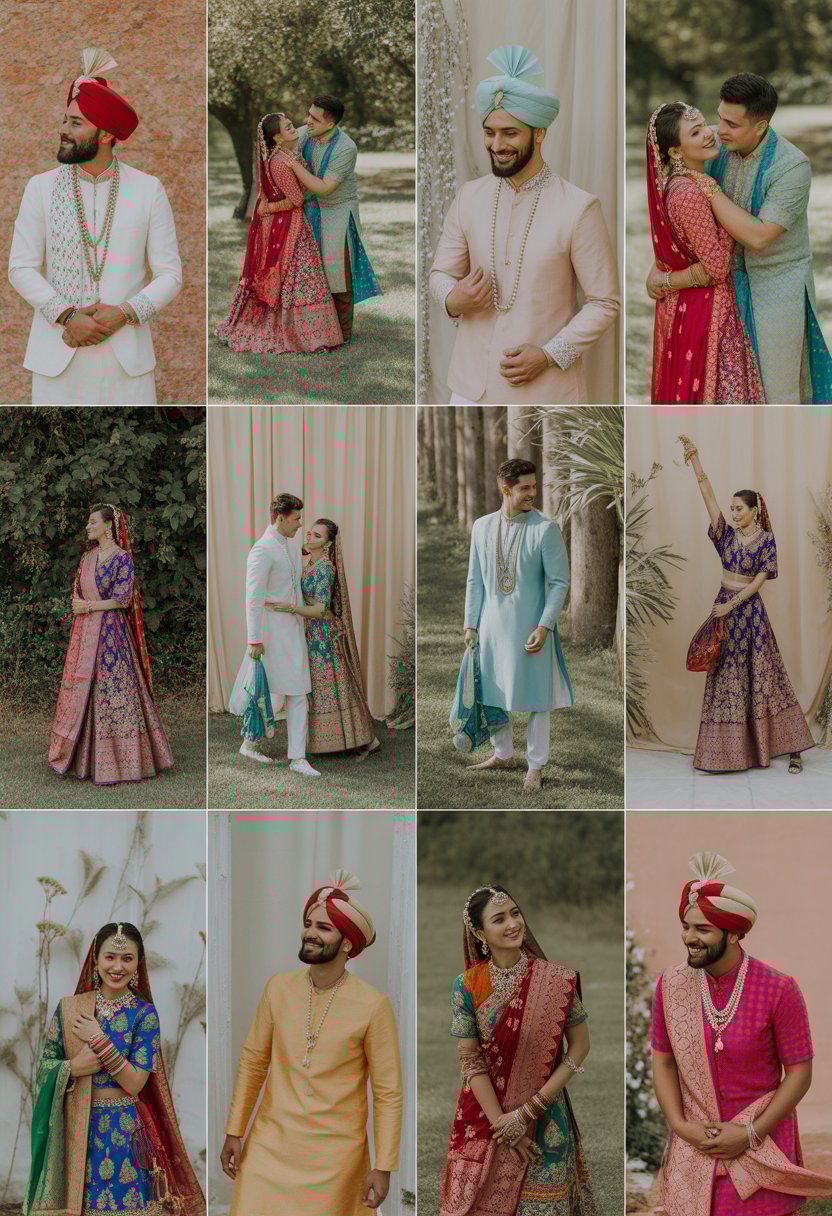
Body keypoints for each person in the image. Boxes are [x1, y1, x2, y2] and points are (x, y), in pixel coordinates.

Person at [429, 46, 619, 405]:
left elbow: (604, 303)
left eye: (510, 134)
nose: (496, 145)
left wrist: (548, 355)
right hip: (469, 388)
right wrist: (453, 298)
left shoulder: (579, 207)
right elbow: (440, 272)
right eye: (489, 133)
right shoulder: (469, 196)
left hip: (545, 390)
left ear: (540, 133)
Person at [651, 851, 832, 1216]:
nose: (689, 937)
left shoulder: (778, 989)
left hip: (762, 1147)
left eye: (702, 929)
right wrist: (680, 1126)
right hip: (696, 1150)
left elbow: (799, 1072)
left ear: (734, 933)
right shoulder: (671, 986)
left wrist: (751, 1132)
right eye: (686, 926)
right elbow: (664, 1061)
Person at [219, 870, 403, 1215]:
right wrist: (234, 1130)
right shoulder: (278, 988)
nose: (310, 934)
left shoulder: (373, 1005)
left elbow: (387, 1091)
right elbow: (253, 1061)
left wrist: (383, 1165)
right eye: (308, 923)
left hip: (335, 1158)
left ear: (347, 943)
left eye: (323, 927)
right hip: (270, 1145)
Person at [8, 48, 183, 404]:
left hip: (126, 359)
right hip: (58, 356)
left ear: (105, 135)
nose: (63, 130)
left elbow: (170, 275)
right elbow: (20, 268)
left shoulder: (148, 189)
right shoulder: (40, 187)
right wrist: (68, 315)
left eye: (76, 123)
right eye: (65, 120)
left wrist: (124, 314)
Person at [648, 74, 832, 404]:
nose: (719, 130)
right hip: (722, 291)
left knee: (777, 392)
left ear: (760, 127)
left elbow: (760, 237)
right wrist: (663, 271)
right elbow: (689, 224)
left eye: (731, 123)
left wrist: (713, 191)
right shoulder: (716, 150)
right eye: (719, 118)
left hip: (777, 286)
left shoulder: (792, 167)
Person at [23, 921, 204, 1216]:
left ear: (138, 964)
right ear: (96, 958)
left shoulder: (144, 1014)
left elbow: (135, 1083)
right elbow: (45, 1068)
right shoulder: (71, 1008)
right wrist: (73, 1067)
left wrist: (99, 1041)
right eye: (110, 956)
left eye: (127, 958)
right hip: (76, 1128)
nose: (117, 966)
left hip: (124, 1132)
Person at [439, 884, 596, 1216]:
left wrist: (526, 1114)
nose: (513, 923)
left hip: (545, 1116)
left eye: (515, 913)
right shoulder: (467, 985)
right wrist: (504, 1125)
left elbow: (580, 1046)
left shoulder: (556, 981)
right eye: (499, 919)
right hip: (483, 1117)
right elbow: (471, 1060)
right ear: (480, 932)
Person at [680, 435, 814, 773]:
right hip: (723, 608)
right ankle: (727, 753)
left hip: (749, 613)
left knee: (763, 676)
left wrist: (733, 604)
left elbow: (759, 581)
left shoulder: (766, 540)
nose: (734, 513)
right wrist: (696, 462)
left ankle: (786, 747)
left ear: (754, 511)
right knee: (725, 676)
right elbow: (707, 497)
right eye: (733, 509)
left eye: (739, 508)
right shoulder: (725, 535)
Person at [463, 458, 573, 794]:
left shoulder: (546, 528)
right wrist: (470, 623)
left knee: (538, 698)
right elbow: (475, 581)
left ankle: (535, 766)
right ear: (505, 489)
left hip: (531, 628)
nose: (532, 493)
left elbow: (559, 583)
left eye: (534, 486)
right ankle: (503, 752)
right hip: (491, 627)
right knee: (492, 691)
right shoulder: (481, 527)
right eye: (524, 487)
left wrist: (544, 626)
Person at [48, 503, 174, 785]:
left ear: (108, 525)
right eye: (88, 523)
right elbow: (76, 598)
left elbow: (122, 599)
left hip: (111, 635)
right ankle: (84, 759)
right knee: (87, 691)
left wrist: (89, 607)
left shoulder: (122, 559)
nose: (88, 527)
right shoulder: (87, 559)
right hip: (86, 633)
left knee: (113, 691)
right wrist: (83, 608)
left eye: (93, 522)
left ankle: (123, 761)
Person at [646, 103, 763, 403]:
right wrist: (666, 282)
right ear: (675, 152)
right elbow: (715, 267)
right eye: (695, 132)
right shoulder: (688, 194)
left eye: (704, 124)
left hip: (704, 307)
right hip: (709, 315)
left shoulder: (694, 183)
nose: (708, 134)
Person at [215, 112, 343, 355]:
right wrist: (271, 208)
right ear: (277, 136)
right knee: (299, 276)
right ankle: (304, 336)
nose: (294, 129)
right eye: (287, 127)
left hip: (289, 222)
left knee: (300, 277)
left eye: (291, 125)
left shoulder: (284, 155)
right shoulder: (281, 162)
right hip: (289, 224)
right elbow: (295, 199)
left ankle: (310, 334)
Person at [267, 517, 380, 757]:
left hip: (325, 635)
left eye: (317, 536)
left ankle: (363, 739)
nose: (309, 537)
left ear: (328, 544)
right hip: (311, 633)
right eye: (309, 533)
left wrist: (290, 608)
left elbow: (320, 608)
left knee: (336, 686)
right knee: (320, 688)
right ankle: (339, 740)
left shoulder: (326, 568)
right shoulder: (309, 564)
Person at [228, 492, 319, 777]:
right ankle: (249, 744)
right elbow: (252, 597)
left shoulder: (288, 546)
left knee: (298, 690)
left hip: (291, 628)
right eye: (296, 518)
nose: (300, 524)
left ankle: (297, 757)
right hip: (269, 633)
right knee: (261, 690)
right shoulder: (263, 549)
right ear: (280, 518)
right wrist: (254, 639)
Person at [282, 95, 382, 343]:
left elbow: (326, 188)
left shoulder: (346, 148)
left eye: (314, 118)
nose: (307, 121)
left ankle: (344, 333)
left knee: (338, 270)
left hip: (337, 209)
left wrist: (295, 167)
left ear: (331, 123)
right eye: (308, 114)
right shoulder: (305, 134)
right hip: (309, 207)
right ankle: (315, 327)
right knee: (308, 269)